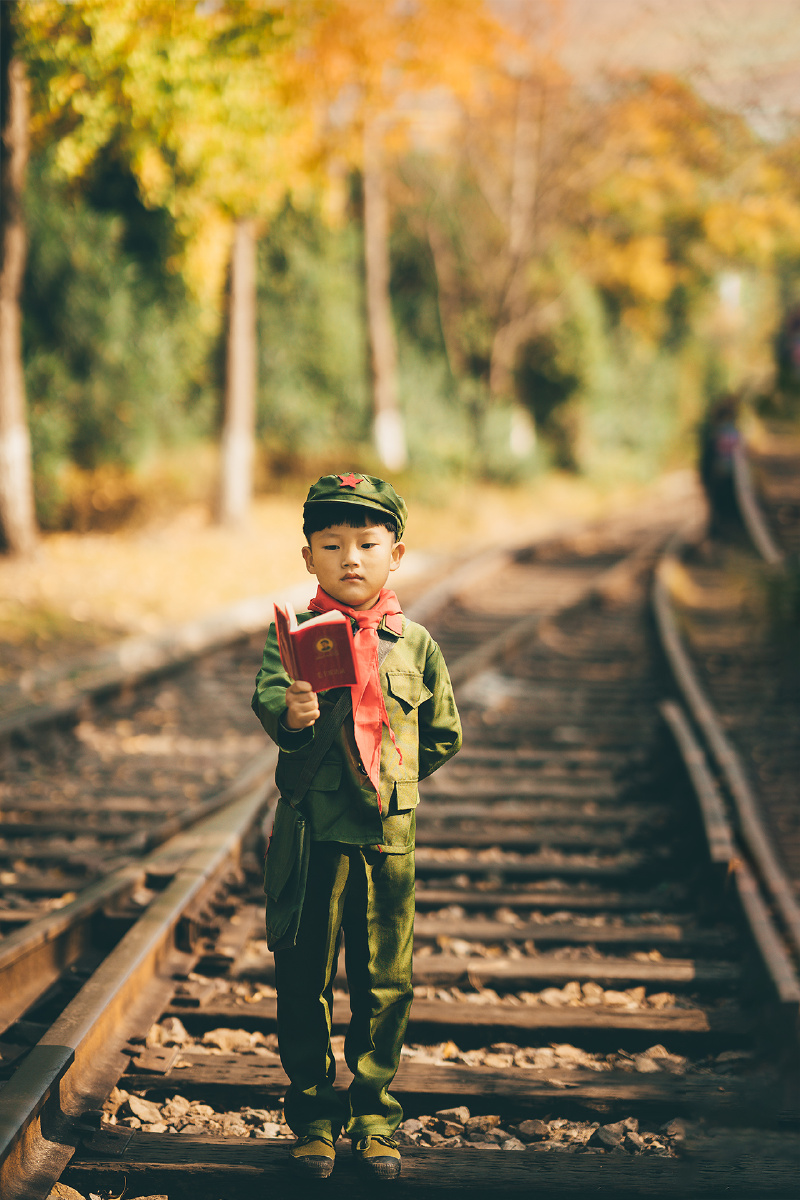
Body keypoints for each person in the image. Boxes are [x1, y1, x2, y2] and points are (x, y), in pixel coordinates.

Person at [251, 472, 462, 1180]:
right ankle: (313, 1118)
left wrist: (394, 779)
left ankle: (375, 1120)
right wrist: (292, 715)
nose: (350, 558)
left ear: (395, 555)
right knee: (303, 975)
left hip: (386, 839)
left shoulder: (416, 643)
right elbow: (271, 701)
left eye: (367, 544)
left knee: (385, 982)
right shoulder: (292, 638)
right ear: (307, 556)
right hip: (312, 836)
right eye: (332, 544)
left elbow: (443, 732)